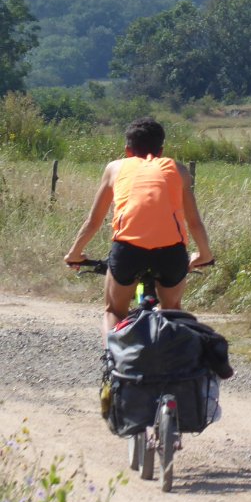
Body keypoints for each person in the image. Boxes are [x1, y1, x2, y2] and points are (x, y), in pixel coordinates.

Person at [64, 117, 214, 339]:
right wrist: (204, 254)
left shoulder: (115, 168)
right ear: (161, 151)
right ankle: (170, 362)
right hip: (171, 251)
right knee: (172, 309)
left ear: (127, 150)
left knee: (114, 311)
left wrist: (74, 254)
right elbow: (194, 223)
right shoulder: (179, 170)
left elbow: (93, 221)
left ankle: (113, 361)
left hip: (128, 248)